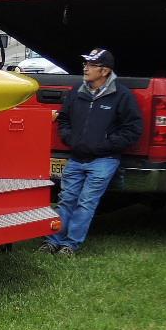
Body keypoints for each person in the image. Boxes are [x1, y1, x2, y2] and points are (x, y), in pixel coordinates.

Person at [42, 48, 142, 256]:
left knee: (86, 202)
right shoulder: (77, 90)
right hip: (76, 158)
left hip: (104, 160)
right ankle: (52, 241)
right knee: (66, 199)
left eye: (91, 65)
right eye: (86, 64)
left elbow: (133, 129)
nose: (85, 68)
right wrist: (71, 139)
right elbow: (64, 119)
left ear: (104, 71)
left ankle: (70, 245)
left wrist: (105, 145)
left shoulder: (122, 95)